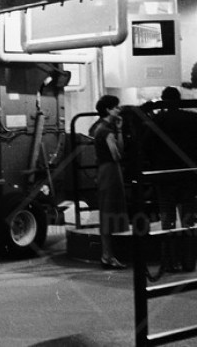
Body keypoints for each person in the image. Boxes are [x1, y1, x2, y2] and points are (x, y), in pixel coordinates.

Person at [143, 86, 197, 272]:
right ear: (179, 100)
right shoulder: (192, 118)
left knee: (167, 220)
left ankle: (170, 262)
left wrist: (155, 162)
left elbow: (145, 145)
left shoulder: (158, 120)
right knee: (188, 220)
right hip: (187, 174)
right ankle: (188, 262)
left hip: (164, 175)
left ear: (163, 101)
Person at [91, 95, 128, 270]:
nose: (119, 110)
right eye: (116, 107)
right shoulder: (106, 131)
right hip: (110, 171)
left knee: (107, 211)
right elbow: (117, 154)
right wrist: (119, 132)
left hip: (105, 171)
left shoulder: (100, 128)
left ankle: (108, 254)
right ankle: (107, 255)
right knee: (109, 211)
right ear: (108, 109)